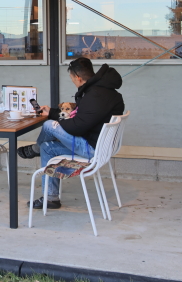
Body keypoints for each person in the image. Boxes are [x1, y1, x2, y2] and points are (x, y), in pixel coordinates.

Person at [17, 57, 125, 209]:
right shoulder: (106, 92)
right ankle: (51, 198)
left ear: (78, 77)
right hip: (101, 146)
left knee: (48, 126)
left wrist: (55, 122)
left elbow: (76, 127)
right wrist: (53, 112)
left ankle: (35, 149)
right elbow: (79, 117)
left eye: (72, 79)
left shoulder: (95, 96)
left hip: (92, 149)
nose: (73, 82)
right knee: (47, 147)